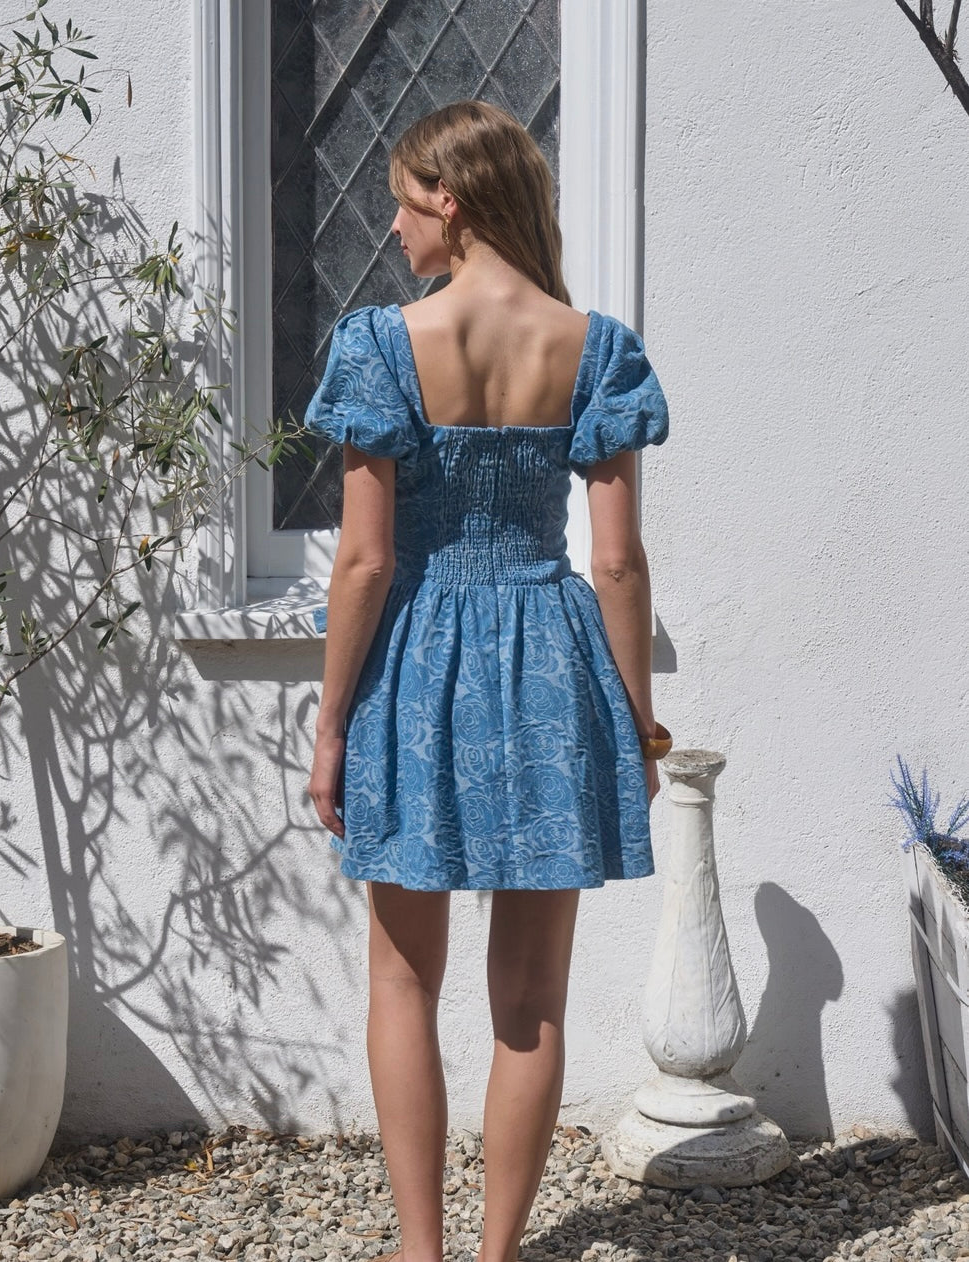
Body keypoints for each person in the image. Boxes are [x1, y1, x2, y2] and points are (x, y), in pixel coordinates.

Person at [305, 100, 670, 1262]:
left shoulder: (376, 346)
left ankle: (422, 1253)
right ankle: (498, 1252)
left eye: (403, 202)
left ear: (447, 203)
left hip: (416, 664)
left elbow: (364, 559)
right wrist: (635, 718)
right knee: (533, 997)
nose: (391, 224)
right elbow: (612, 559)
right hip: (551, 664)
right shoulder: (593, 345)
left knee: (403, 978)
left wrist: (327, 728)